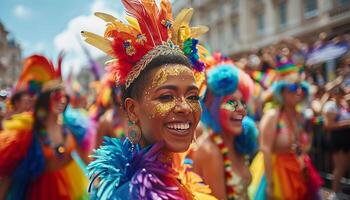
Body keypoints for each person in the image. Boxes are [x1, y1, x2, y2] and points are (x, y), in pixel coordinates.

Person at [82, 0, 216, 199]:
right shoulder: (131, 194)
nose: (185, 107)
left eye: (193, 96)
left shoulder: (179, 174)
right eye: (167, 96)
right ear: (133, 110)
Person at [0, 54, 89, 200]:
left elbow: (86, 160)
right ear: (45, 99)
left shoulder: (70, 127)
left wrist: (100, 182)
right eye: (56, 97)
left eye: (64, 97)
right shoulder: (27, 133)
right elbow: (8, 177)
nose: (61, 101)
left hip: (70, 190)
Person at [249, 56, 323, 200]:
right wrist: (270, 185)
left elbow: (306, 145)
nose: (298, 91)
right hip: (278, 174)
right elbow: (266, 150)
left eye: (301, 88)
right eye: (293, 88)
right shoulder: (272, 116)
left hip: (300, 171)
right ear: (282, 92)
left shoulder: (301, 117)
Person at [191, 53, 258, 200]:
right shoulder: (210, 151)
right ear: (213, 108)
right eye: (232, 103)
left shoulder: (238, 141)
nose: (241, 109)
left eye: (242, 103)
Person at [322, 84, 350, 199]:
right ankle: (334, 193)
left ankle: (337, 192)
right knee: (340, 167)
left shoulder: (343, 105)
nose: (339, 94)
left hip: (346, 140)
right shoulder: (331, 106)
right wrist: (347, 123)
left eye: (341, 92)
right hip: (338, 140)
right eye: (337, 92)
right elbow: (328, 125)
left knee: (344, 166)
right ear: (333, 94)